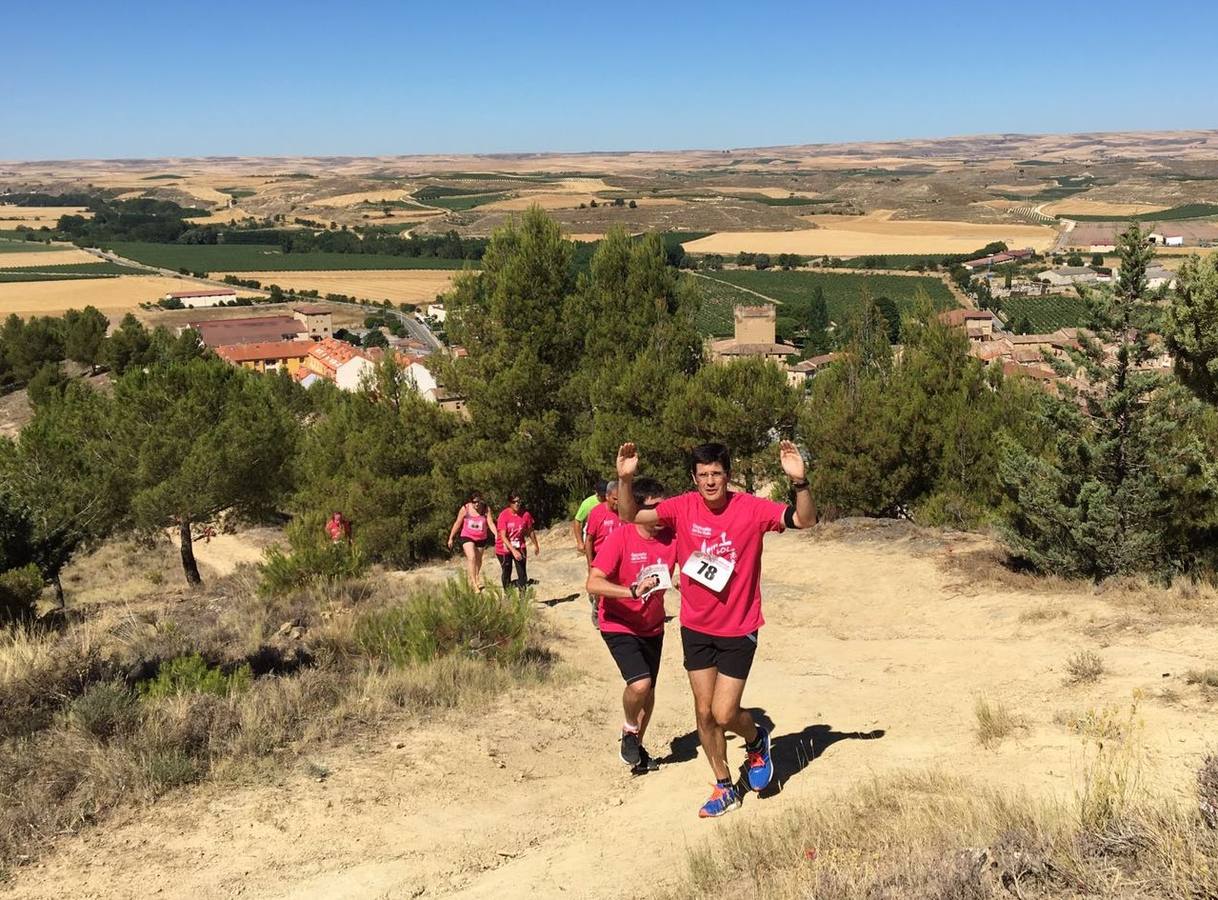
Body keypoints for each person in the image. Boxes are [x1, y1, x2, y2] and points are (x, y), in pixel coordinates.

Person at [616, 440, 816, 818]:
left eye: (717, 474)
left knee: (725, 713)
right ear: (694, 478)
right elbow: (630, 516)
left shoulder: (751, 509)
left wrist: (800, 483)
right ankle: (724, 785)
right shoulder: (681, 507)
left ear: (728, 475)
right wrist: (625, 480)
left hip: (739, 626)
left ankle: (757, 741)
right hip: (695, 626)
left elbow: (804, 520)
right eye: (703, 475)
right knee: (704, 713)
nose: (710, 481)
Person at [585, 476, 676, 775]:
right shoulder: (620, 538)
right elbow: (593, 582)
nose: (661, 513)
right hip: (618, 622)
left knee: (648, 694)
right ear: (638, 509)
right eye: (655, 508)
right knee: (640, 684)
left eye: (665, 507)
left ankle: (636, 744)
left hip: (652, 626)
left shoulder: (671, 538)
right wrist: (631, 592)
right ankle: (628, 728)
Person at [583, 480, 622, 625]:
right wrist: (590, 563)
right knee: (601, 589)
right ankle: (597, 611)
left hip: (620, 558)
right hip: (600, 559)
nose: (618, 503)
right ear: (607, 496)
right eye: (615, 499)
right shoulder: (596, 513)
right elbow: (589, 539)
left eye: (620, 499)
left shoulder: (625, 512)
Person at [447, 492, 497, 592]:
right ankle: (473, 583)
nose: (476, 504)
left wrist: (496, 534)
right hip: (467, 536)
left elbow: (490, 523)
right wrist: (451, 537)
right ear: (471, 502)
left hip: (481, 537)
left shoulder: (486, 509)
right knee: (472, 557)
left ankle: (476, 576)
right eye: (474, 502)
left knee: (478, 560)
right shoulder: (465, 509)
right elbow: (458, 523)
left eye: (478, 502)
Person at [495, 493, 539, 589]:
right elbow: (503, 536)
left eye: (519, 501)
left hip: (519, 545)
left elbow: (530, 530)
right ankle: (508, 595)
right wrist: (513, 551)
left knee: (522, 573)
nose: (517, 504)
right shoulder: (503, 515)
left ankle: (523, 599)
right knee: (507, 571)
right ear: (510, 503)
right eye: (514, 502)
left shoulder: (525, 515)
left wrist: (536, 545)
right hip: (504, 547)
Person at [571, 480, 608, 554]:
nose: (604, 497)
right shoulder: (587, 503)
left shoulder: (612, 501)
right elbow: (577, 521)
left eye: (605, 495)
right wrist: (580, 542)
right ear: (596, 493)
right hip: (592, 536)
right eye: (602, 495)